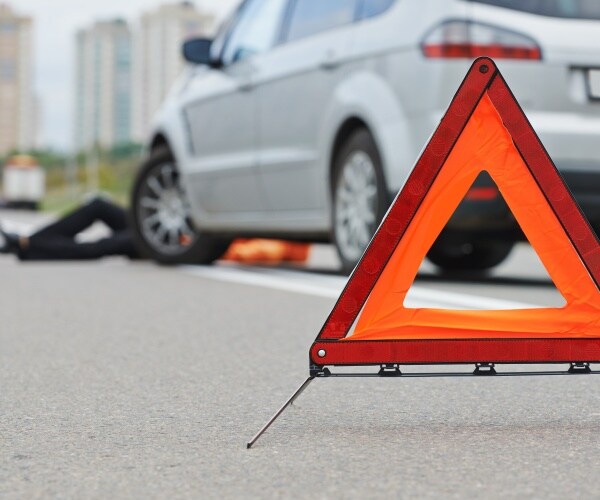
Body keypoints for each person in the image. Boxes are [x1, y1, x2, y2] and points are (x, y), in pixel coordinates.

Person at [0, 196, 139, 260]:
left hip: (155, 244)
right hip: (146, 225)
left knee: (105, 244)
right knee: (98, 206)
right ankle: (28, 241)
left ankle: (26, 245)